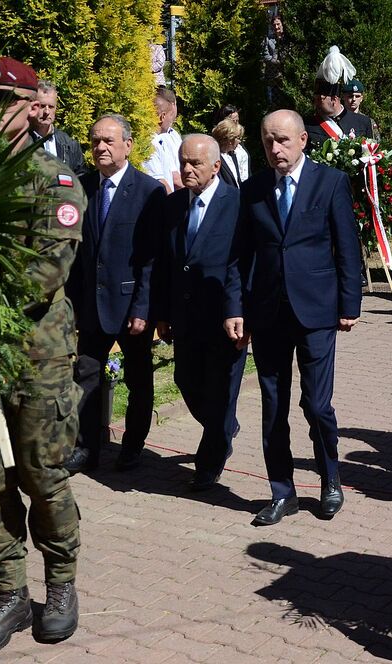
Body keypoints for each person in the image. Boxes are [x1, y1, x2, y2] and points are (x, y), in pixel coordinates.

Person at [0, 57, 84, 654]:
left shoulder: (54, 179)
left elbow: (46, 272)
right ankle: (9, 593)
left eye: (1, 98)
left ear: (33, 106)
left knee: (41, 472)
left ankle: (60, 585)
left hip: (37, 353)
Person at [223, 109, 361, 526]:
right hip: (267, 312)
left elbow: (347, 247)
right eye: (267, 141)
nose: (274, 148)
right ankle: (282, 492)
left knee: (317, 404)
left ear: (303, 140)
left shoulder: (331, 182)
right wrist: (235, 308)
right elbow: (237, 255)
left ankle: (330, 478)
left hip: (317, 310)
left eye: (282, 140)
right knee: (273, 404)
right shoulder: (253, 190)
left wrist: (348, 304)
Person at [64, 114, 162, 474]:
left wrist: (143, 307)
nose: (100, 147)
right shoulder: (83, 186)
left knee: (138, 378)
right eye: (94, 141)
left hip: (130, 306)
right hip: (92, 305)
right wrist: (72, 302)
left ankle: (133, 446)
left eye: (108, 141)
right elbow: (77, 253)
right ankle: (87, 447)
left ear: (128, 145)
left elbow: (152, 259)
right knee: (86, 375)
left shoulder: (149, 191)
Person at [154, 134, 245, 492]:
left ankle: (209, 464)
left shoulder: (236, 204)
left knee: (222, 392)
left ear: (216, 167)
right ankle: (223, 428)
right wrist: (162, 312)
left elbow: (242, 263)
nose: (187, 169)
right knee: (186, 381)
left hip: (225, 316)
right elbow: (165, 263)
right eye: (184, 162)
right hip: (185, 315)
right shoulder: (174, 205)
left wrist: (238, 309)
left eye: (196, 164)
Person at [305, 47, 374, 152]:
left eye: (320, 99)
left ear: (334, 99)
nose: (316, 103)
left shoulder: (362, 122)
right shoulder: (307, 124)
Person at [29, 80, 87, 179]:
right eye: (42, 106)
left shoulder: (70, 145)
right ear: (32, 107)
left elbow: (81, 179)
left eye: (51, 107)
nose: (47, 111)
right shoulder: (21, 141)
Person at [141, 87, 183, 192]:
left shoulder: (161, 140)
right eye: (170, 115)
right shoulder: (150, 143)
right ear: (162, 117)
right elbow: (160, 183)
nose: (172, 120)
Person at [213, 105, 250, 182]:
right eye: (233, 121)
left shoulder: (238, 144)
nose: (236, 124)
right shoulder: (216, 152)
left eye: (237, 121)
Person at [211, 118, 246, 186]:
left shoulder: (233, 155)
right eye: (238, 138)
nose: (240, 141)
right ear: (229, 139)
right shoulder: (214, 157)